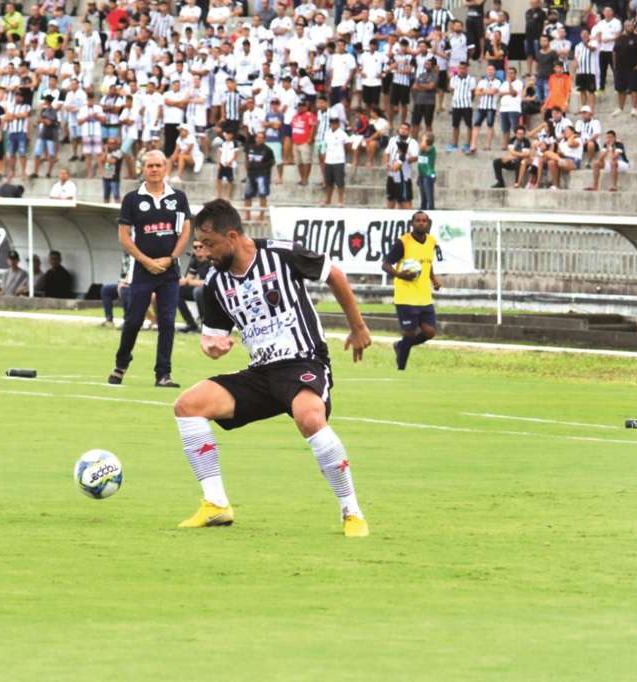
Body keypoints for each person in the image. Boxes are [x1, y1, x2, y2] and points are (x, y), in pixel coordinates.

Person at [171, 198, 372, 537]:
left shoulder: (280, 255)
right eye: (199, 245)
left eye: (208, 244)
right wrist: (212, 346)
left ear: (232, 236)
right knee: (188, 406)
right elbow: (212, 337)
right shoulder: (217, 282)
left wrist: (358, 327)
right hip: (261, 373)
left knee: (309, 418)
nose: (202, 252)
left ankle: (351, 511)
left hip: (303, 361)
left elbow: (334, 274)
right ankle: (216, 504)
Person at [108, 150, 192, 388]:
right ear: (143, 169)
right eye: (149, 166)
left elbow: (185, 230)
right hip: (142, 271)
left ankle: (163, 374)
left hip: (169, 271)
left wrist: (171, 258)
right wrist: (145, 260)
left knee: (167, 322)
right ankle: (121, 363)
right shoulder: (132, 199)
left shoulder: (178, 197)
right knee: (134, 320)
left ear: (165, 168)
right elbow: (124, 237)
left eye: (158, 165)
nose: (154, 169)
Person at [381, 211, 441, 370]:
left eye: (424, 221)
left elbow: (427, 263)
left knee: (430, 332)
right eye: (418, 221)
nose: (421, 223)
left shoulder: (431, 241)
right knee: (409, 332)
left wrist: (433, 279)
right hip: (405, 296)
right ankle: (401, 369)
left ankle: (400, 346)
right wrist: (399, 274)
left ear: (428, 224)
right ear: (412, 223)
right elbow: (385, 264)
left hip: (424, 296)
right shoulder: (403, 242)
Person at [177, 239, 210, 332]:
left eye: (201, 246)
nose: (198, 249)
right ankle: (191, 324)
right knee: (177, 291)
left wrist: (188, 281)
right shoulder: (195, 260)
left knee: (198, 291)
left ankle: (206, 325)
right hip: (202, 289)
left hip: (214, 291)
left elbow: (210, 282)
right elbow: (188, 279)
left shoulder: (212, 260)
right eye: (195, 247)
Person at [385, 122, 419, 209]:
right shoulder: (393, 140)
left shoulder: (412, 142)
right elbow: (387, 152)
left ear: (409, 131)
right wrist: (388, 163)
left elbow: (415, 157)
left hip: (404, 176)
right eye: (401, 128)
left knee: (405, 200)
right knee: (390, 198)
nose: (403, 131)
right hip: (392, 175)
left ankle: (407, 220)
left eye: (405, 129)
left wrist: (403, 159)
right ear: (398, 129)